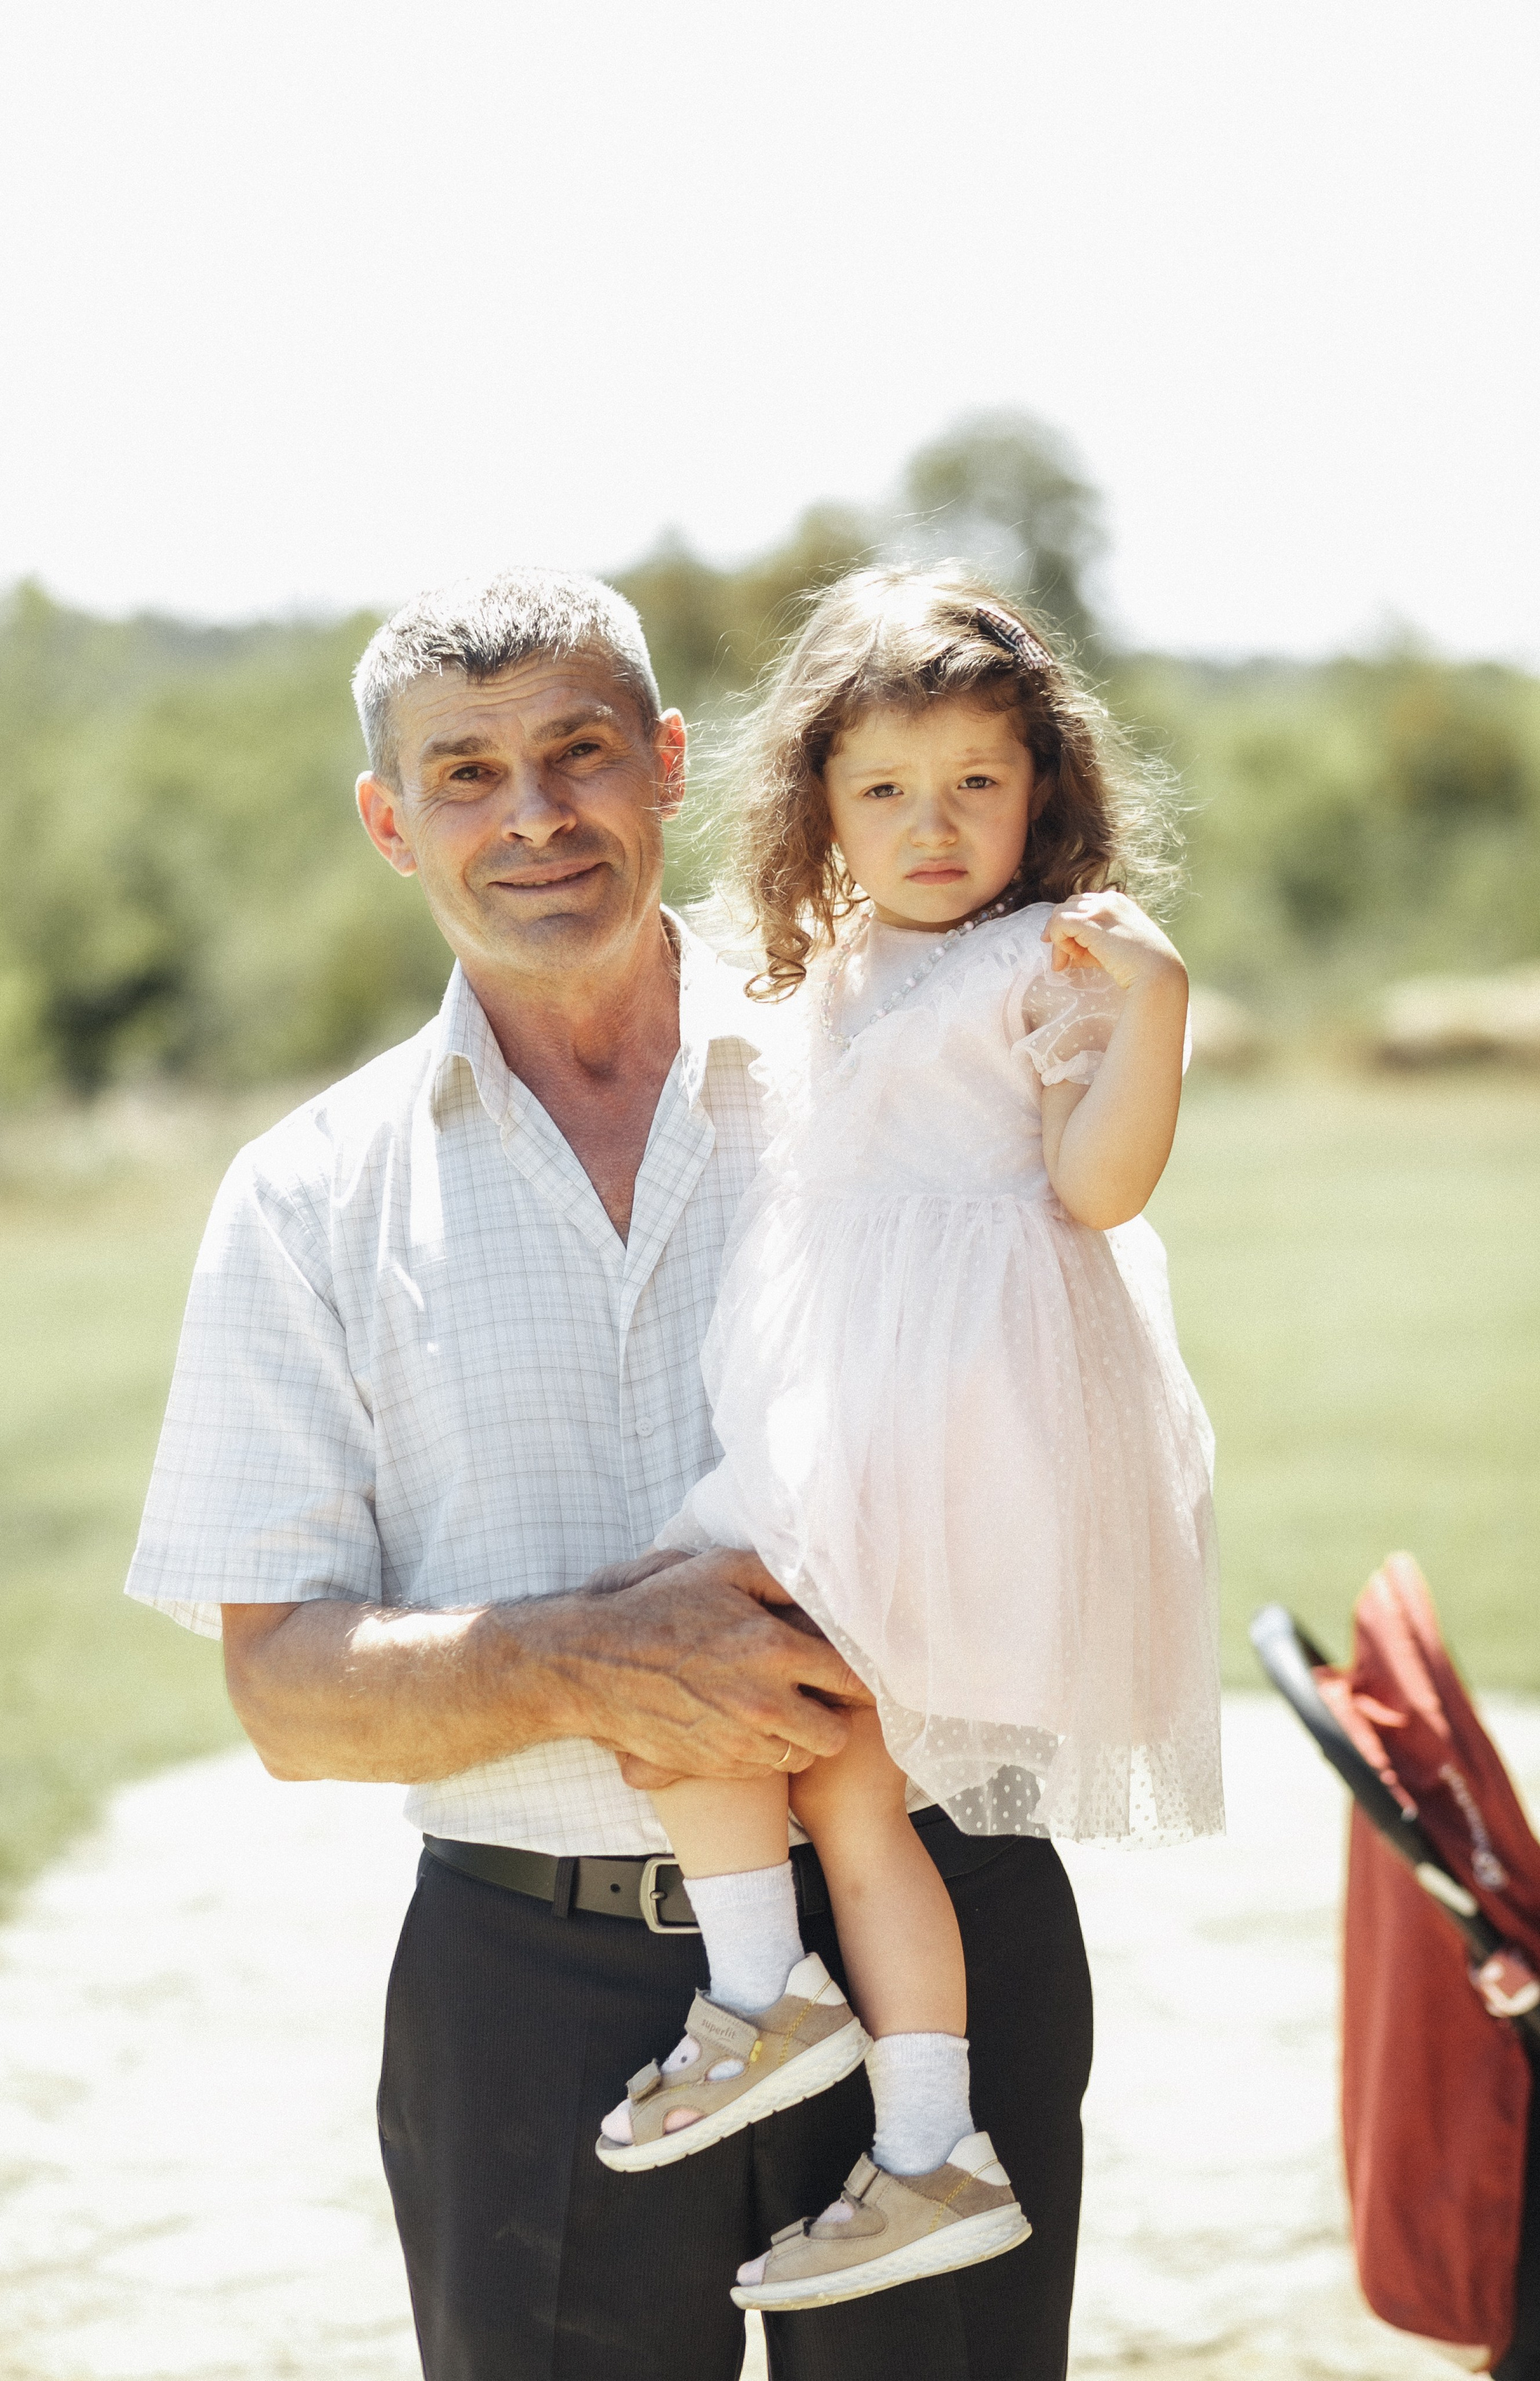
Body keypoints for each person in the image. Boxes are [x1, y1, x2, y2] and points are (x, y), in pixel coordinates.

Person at [125, 568, 1095, 2381]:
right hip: (536, 1992)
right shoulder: (304, 1198)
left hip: (947, 1932)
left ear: (664, 764)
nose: (535, 817)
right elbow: (281, 1694)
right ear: (387, 821)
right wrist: (600, 1657)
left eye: (579, 754)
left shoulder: (896, 1051)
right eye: (466, 773)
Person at [593, 567, 1224, 2313]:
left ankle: (759, 1992)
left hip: (953, 1422)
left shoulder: (1057, 956)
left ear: (1046, 791)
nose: (930, 823)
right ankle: (936, 2147)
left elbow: (1097, 1189)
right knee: (851, 1784)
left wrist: (1157, 1013)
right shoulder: (834, 966)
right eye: (882, 790)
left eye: (975, 783)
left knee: (673, 1658)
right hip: (847, 1403)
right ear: (822, 813)